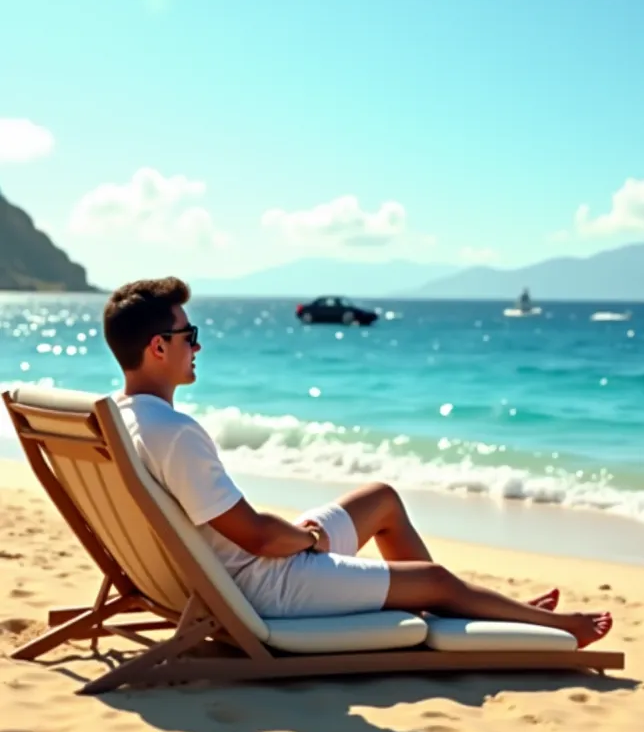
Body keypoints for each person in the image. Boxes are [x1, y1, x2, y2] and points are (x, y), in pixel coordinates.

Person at [103, 277, 612, 648]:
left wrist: (300, 537)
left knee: (382, 500)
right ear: (158, 346)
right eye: (189, 335)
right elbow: (257, 538)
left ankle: (481, 607)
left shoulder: (121, 420)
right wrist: (307, 539)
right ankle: (546, 624)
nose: (198, 345)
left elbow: (242, 532)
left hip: (237, 568)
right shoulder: (175, 433)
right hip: (266, 585)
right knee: (433, 579)